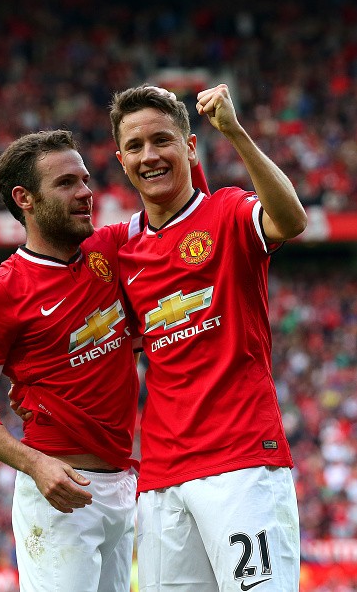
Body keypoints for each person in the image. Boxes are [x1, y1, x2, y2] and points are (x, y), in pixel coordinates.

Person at [0, 127, 210, 592]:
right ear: (25, 199)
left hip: (122, 484)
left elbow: (192, 215)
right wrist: (35, 464)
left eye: (85, 179)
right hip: (59, 493)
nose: (85, 192)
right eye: (66, 183)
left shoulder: (111, 248)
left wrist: (182, 145)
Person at [109, 84, 308, 591]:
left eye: (162, 140)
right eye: (135, 146)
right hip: (162, 477)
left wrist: (235, 132)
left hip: (241, 463)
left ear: (191, 147)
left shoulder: (227, 211)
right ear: (121, 160)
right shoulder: (123, 252)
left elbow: (290, 220)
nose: (149, 156)